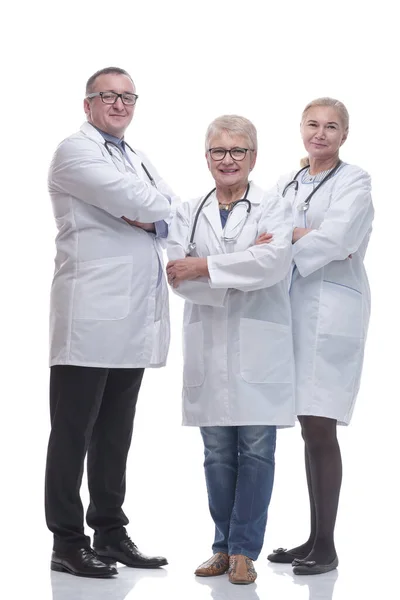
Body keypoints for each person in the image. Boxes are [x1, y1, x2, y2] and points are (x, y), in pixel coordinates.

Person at [45, 66, 178, 578]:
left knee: (116, 433)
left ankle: (110, 530)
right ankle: (67, 540)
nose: (120, 104)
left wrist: (152, 215)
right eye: (109, 96)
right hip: (89, 316)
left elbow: (169, 209)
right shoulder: (73, 152)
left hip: (131, 320)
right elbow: (140, 202)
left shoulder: (136, 157)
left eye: (128, 97)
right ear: (88, 104)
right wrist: (147, 211)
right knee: (72, 432)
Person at [166, 115, 295, 585]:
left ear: (253, 158)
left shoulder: (274, 208)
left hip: (261, 349)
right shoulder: (188, 210)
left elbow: (274, 263)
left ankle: (244, 550)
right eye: (219, 151)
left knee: (257, 453)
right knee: (217, 455)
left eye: (238, 151)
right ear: (207, 158)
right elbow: (176, 276)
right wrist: (228, 271)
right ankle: (221, 547)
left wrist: (204, 266)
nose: (228, 160)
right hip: (209, 347)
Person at [266, 97, 374, 575]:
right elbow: (262, 228)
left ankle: (326, 546)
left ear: (344, 135)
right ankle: (313, 538)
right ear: (301, 130)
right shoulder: (289, 181)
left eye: (332, 127)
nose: (321, 133)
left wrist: (291, 236)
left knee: (321, 426)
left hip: (331, 312)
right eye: (313, 124)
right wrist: (297, 233)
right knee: (309, 429)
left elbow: (339, 240)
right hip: (293, 309)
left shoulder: (355, 181)